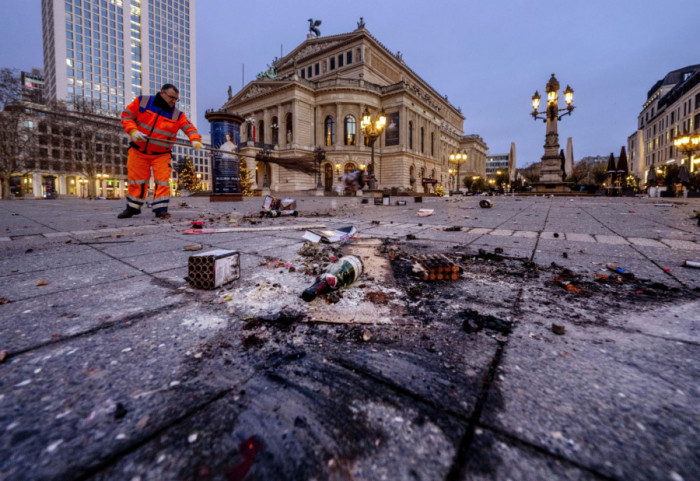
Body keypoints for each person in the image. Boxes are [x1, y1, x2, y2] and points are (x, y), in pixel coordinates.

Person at [118, 83, 202, 219]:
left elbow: (189, 127)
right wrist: (133, 131)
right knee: (136, 180)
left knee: (162, 181)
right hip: (138, 150)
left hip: (161, 154)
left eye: (176, 99)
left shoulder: (177, 115)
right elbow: (127, 116)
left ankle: (160, 209)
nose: (174, 101)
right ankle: (132, 208)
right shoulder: (142, 102)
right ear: (162, 93)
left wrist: (195, 139)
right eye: (172, 98)